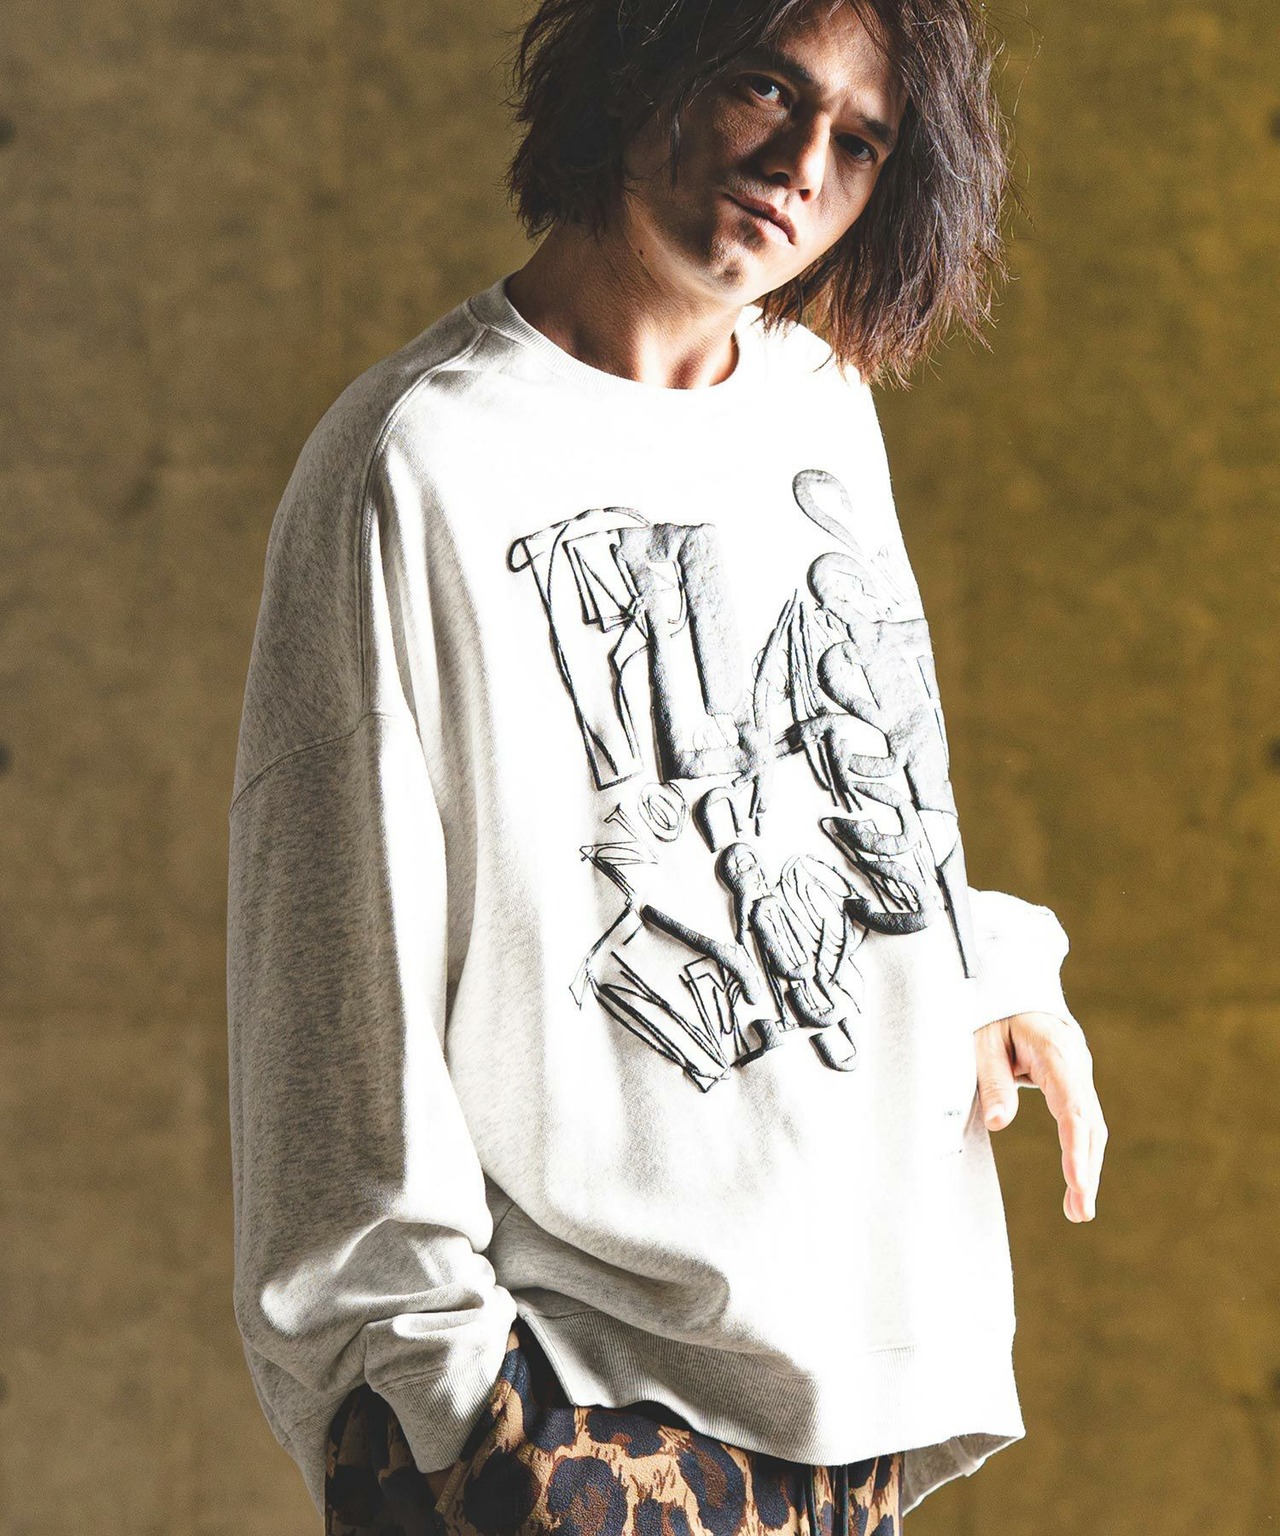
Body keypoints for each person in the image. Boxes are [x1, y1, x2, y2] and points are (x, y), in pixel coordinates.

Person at [225, 0, 1108, 1528]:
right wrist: (462, 1408)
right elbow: (332, 968)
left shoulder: (819, 406)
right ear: (647, 58)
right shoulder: (418, 460)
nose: (800, 165)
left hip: (843, 1400)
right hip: (569, 1412)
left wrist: (985, 967)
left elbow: (844, 796)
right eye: (766, 85)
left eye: (859, 141)